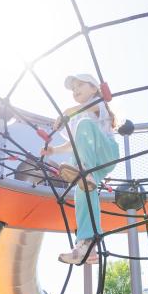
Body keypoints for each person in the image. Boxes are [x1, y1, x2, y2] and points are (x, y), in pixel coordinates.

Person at [41, 74, 120, 264]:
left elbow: (87, 116)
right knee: (82, 192)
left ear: (94, 88)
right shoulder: (78, 117)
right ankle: (87, 245)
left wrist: (67, 112)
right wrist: (53, 150)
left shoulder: (98, 104)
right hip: (91, 163)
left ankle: (84, 170)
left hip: (106, 154)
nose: (75, 90)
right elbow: (75, 142)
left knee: (84, 126)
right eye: (73, 88)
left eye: (80, 85)